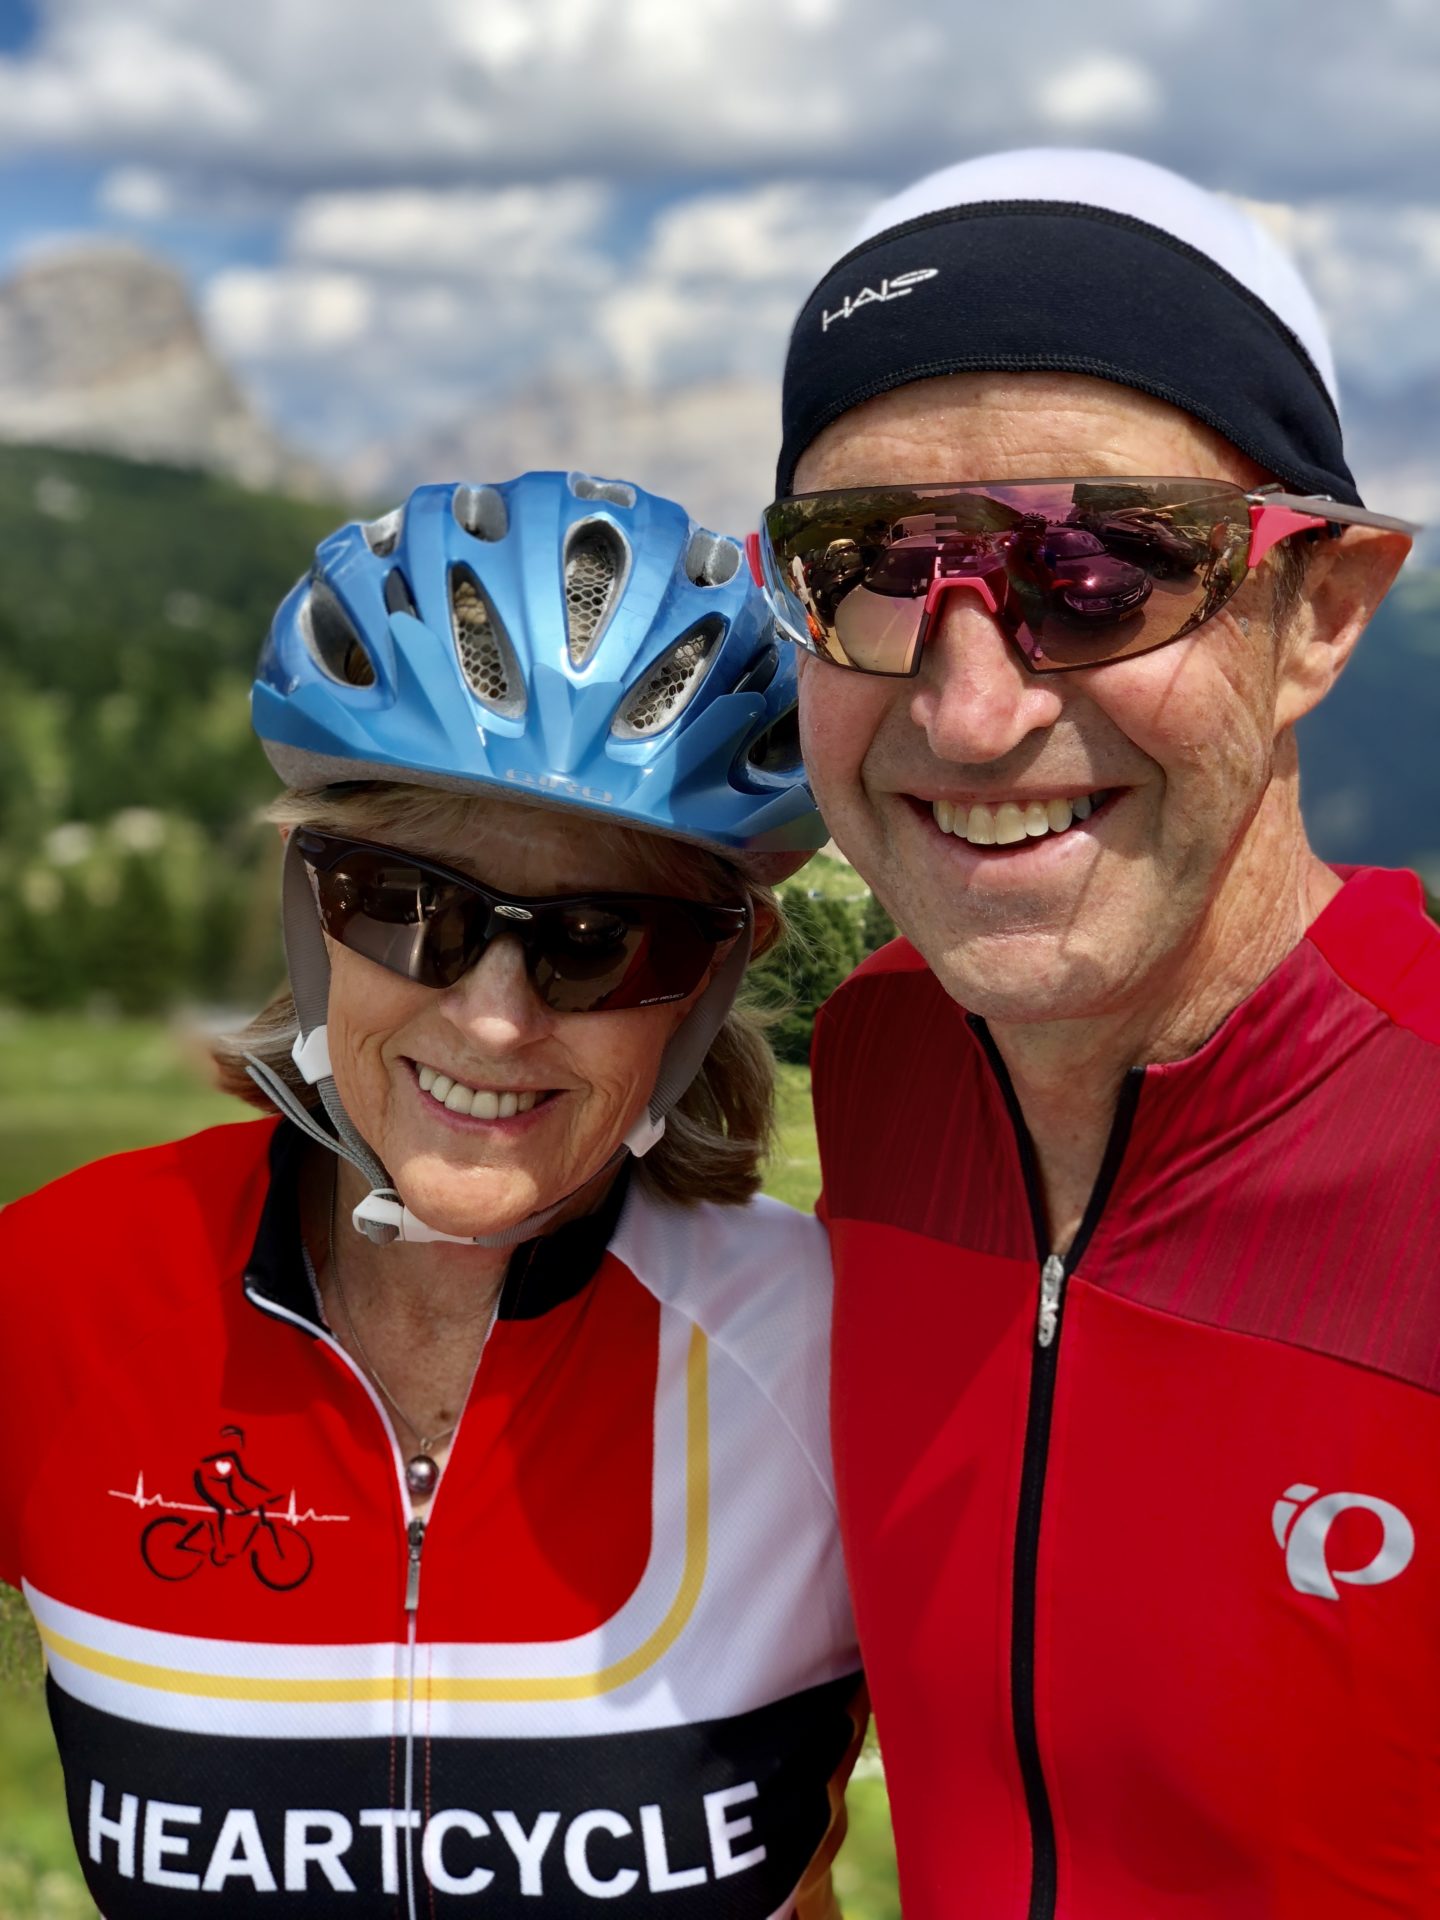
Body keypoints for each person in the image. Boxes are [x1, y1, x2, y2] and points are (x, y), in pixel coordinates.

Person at [0, 471, 864, 1918]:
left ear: (713, 976)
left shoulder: (830, 1349)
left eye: (600, 942)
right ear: (308, 901)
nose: (496, 1020)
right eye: (414, 910)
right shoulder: (63, 1287)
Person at [751, 149, 1438, 1918]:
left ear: (1328, 612)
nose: (970, 713)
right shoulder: (884, 1057)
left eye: (1104, 565)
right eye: (873, 567)